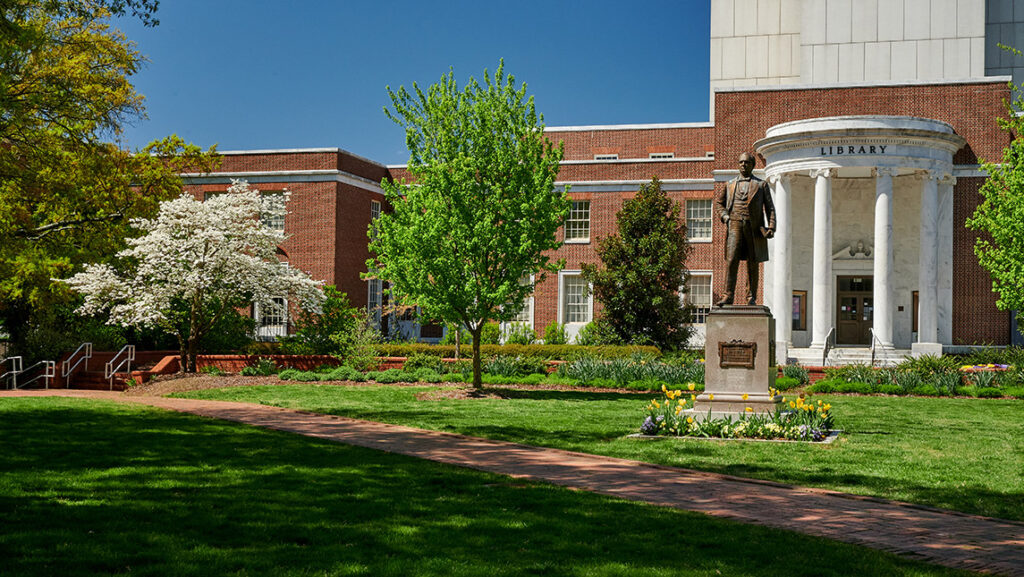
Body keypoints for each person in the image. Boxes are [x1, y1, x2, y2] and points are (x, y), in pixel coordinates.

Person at [714, 152, 776, 306]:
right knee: (731, 261)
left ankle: (751, 297)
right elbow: (719, 204)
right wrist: (725, 217)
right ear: (738, 164)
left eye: (747, 162)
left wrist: (772, 226)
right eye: (741, 162)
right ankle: (727, 296)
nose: (743, 165)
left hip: (753, 228)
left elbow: (770, 208)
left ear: (753, 165)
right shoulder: (729, 185)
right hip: (734, 224)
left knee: (752, 263)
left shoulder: (761, 185)